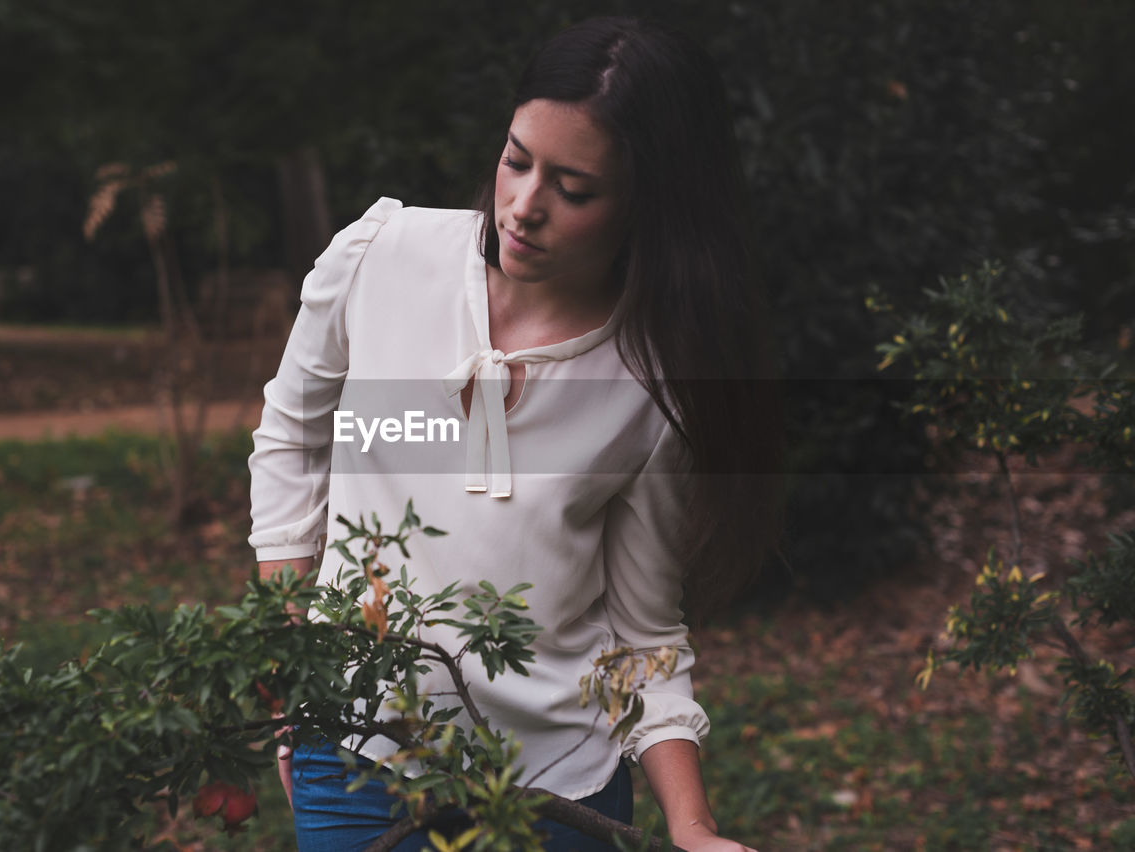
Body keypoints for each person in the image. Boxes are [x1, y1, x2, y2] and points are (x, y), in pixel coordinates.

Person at [248, 16, 783, 852]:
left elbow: (642, 634)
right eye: (515, 160)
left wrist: (693, 825)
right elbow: (292, 439)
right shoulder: (381, 256)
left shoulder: (651, 388)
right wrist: (294, 667)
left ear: (649, 206)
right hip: (354, 760)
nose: (524, 207)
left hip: (556, 792)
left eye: (574, 189)